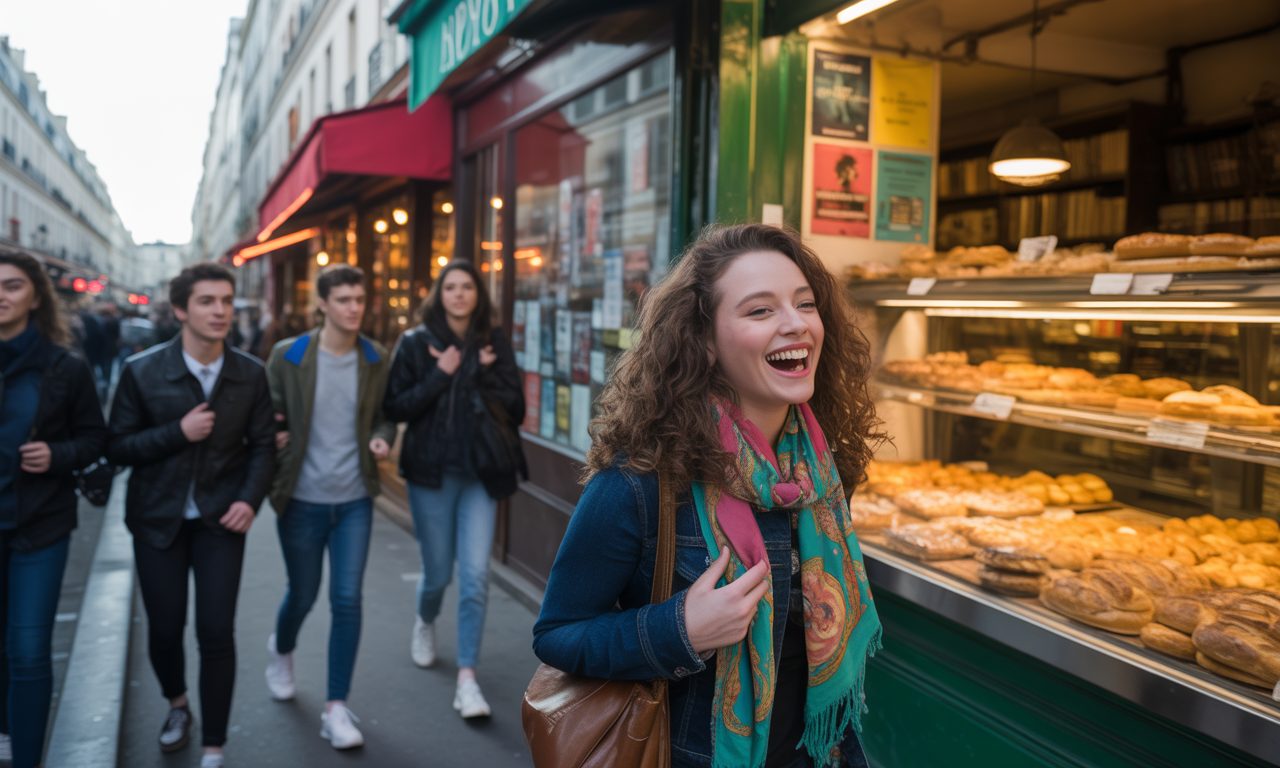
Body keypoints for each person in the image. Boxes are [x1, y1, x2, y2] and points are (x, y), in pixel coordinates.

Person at [532, 224, 885, 768]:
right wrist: (680, 630)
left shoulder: (822, 470)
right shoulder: (641, 480)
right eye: (760, 311)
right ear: (704, 340)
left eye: (805, 303)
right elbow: (558, 634)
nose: (795, 324)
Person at [107, 262, 275, 768]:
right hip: (157, 520)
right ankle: (178, 704)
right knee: (163, 628)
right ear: (181, 309)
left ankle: (214, 746)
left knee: (216, 631)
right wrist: (177, 432)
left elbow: (264, 446)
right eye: (207, 301)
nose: (220, 310)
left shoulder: (250, 373)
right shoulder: (143, 371)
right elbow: (117, 447)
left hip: (222, 518)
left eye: (225, 301)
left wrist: (249, 499)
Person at [383, 260, 525, 719]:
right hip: (431, 474)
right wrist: (443, 373)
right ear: (439, 294)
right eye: (451, 287)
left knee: (475, 577)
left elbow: (516, 408)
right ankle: (425, 620)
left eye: (467, 287)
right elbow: (397, 405)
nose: (459, 295)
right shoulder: (415, 342)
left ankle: (468, 677)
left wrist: (476, 372)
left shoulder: (493, 343)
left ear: (478, 295)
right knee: (439, 573)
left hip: (480, 476)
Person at [263, 264, 395, 749]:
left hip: (354, 499)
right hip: (301, 497)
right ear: (322, 304)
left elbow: (384, 418)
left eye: (359, 299)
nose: (353, 308)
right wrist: (275, 443)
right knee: (302, 593)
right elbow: (267, 415)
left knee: (347, 599)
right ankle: (281, 649)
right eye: (342, 300)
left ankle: (336, 707)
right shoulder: (288, 356)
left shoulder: (374, 357)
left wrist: (382, 440)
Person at [0, 248, 107, 768]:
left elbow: (94, 440)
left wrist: (56, 454)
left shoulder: (63, 367)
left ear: (36, 296)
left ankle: (26, 760)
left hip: (39, 526)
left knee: (27, 650)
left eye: (13, 285)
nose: (1, 294)